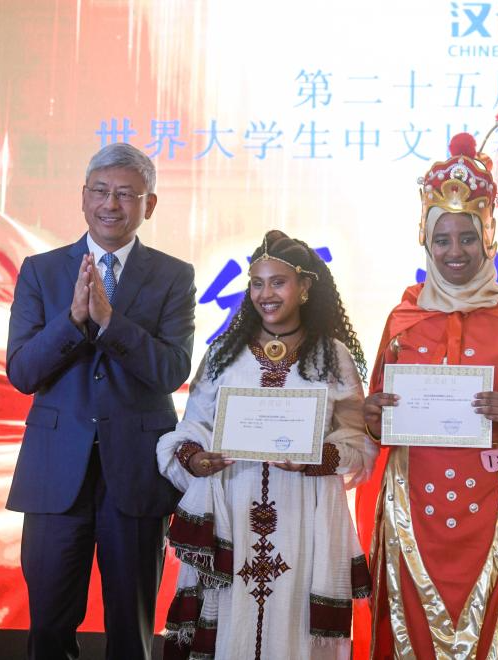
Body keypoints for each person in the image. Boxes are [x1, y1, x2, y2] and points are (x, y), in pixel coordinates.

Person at [354, 114, 498, 660]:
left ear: (488, 238)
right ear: (425, 241)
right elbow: (374, 421)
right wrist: (373, 415)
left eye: (468, 237)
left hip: (490, 511)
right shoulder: (403, 320)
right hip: (411, 508)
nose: (456, 251)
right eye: (442, 238)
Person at [5, 142, 196, 659]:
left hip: (134, 473)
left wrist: (111, 323)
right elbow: (22, 372)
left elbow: (172, 370)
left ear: (149, 205)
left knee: (131, 629)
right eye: (101, 191)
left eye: (126, 194)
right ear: (83, 197)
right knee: (48, 624)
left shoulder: (174, 276)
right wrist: (72, 321)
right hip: (54, 472)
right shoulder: (41, 270)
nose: (111, 204)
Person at [157, 230, 377, 660]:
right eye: (257, 283)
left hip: (304, 512)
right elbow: (194, 425)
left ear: (305, 286)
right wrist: (196, 458)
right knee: (231, 619)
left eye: (278, 282)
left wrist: (313, 458)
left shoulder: (333, 357)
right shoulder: (224, 353)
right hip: (232, 506)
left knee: (293, 622)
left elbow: (357, 445)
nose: (266, 294)